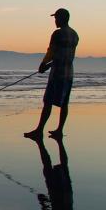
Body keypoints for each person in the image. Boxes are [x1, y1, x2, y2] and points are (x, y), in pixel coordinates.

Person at [25, 8, 79, 139]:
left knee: (48, 101)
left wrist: (44, 64)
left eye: (56, 18)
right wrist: (49, 65)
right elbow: (67, 56)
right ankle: (59, 130)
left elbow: (52, 52)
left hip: (57, 73)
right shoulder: (75, 35)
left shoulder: (57, 34)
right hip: (69, 73)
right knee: (64, 103)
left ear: (61, 18)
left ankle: (39, 131)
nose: (55, 21)